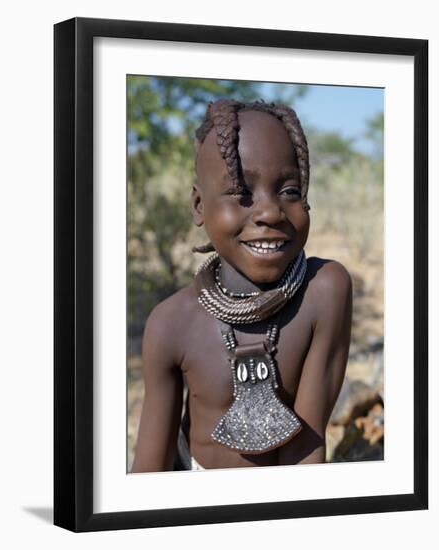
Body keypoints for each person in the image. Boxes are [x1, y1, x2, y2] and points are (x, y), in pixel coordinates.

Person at [130, 99, 352, 472]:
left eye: (290, 191)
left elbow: (307, 454)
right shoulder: (171, 323)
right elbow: (150, 470)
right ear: (199, 206)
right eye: (242, 193)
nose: (269, 212)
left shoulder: (324, 291)